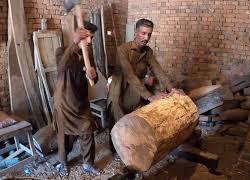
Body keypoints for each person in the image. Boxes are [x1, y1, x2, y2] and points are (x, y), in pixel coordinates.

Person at [107, 18, 175, 153]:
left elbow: (158, 69)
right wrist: (150, 96)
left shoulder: (148, 51)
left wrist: (171, 88)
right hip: (119, 89)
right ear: (136, 32)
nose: (146, 37)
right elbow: (130, 76)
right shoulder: (123, 50)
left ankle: (131, 148)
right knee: (117, 119)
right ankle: (115, 149)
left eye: (149, 34)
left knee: (134, 120)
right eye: (143, 33)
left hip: (136, 89)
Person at [53, 21, 100, 176]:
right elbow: (60, 68)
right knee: (64, 136)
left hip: (81, 103)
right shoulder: (62, 51)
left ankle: (88, 163)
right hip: (65, 103)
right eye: (87, 37)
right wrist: (73, 44)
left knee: (88, 130)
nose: (90, 41)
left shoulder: (88, 55)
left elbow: (94, 79)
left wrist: (94, 76)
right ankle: (63, 162)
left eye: (91, 38)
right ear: (77, 35)